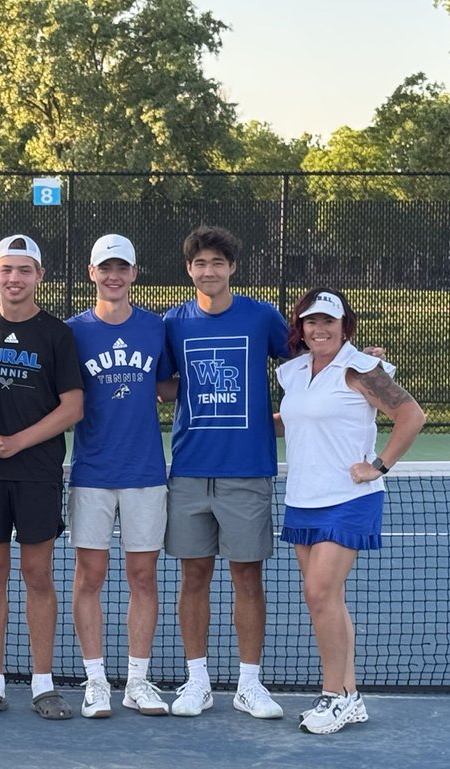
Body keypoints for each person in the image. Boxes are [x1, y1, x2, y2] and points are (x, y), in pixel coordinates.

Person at [276, 288, 425, 734]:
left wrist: (378, 465)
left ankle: (334, 696)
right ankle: (351, 695)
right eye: (310, 322)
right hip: (302, 497)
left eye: (328, 321)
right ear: (300, 329)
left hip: (349, 498)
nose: (319, 329)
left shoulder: (361, 368)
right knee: (328, 600)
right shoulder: (295, 372)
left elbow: (412, 415)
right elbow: (295, 419)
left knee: (319, 594)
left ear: (345, 326)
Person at [160, 225, 288, 719]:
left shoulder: (261, 317)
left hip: (247, 472)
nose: (208, 271)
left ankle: (249, 685)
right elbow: (165, 385)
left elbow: (305, 363)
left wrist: (359, 363)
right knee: (193, 577)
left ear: (232, 267)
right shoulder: (174, 322)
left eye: (217, 263)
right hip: (190, 470)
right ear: (189, 270)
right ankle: (197, 682)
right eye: (199, 264)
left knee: (247, 579)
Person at [0, 234, 84, 720]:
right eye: (7, 269)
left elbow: (72, 407)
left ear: (39, 277)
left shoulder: (57, 334)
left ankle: (43, 682)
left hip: (36, 472)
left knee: (38, 574)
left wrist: (16, 442)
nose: (15, 278)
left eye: (25, 270)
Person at [65, 234, 173, 718]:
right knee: (89, 576)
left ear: (133, 273)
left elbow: (169, 387)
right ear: (92, 273)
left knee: (142, 576)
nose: (113, 276)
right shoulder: (71, 332)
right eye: (104, 268)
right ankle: (95, 681)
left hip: (146, 473)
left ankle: (137, 680)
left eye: (122, 268)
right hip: (92, 473)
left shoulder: (157, 328)